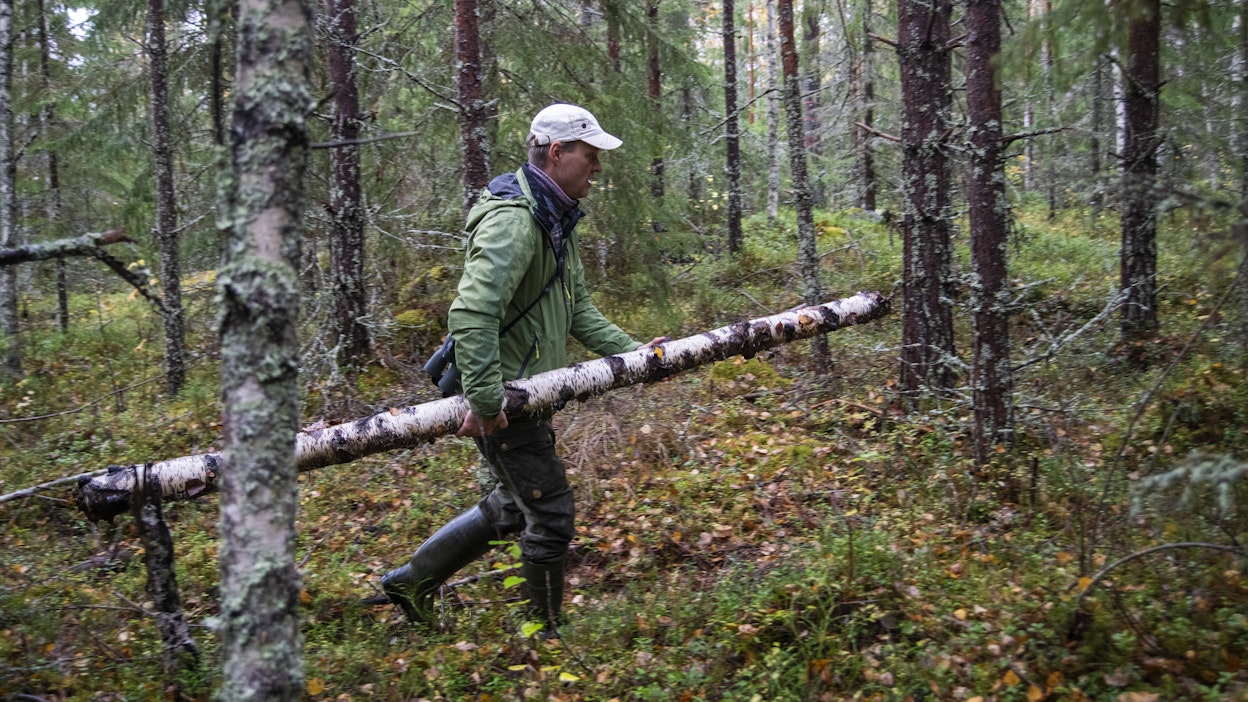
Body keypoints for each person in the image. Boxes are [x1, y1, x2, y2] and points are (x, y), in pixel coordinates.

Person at [376, 104, 665, 634]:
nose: (597, 167)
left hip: (529, 389)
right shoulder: (516, 221)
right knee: (550, 515)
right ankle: (547, 641)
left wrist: (634, 353)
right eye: (590, 155)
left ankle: (411, 581)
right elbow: (470, 312)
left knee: (513, 506)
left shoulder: (553, 217)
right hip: (506, 396)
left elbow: (575, 307)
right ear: (558, 153)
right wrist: (487, 404)